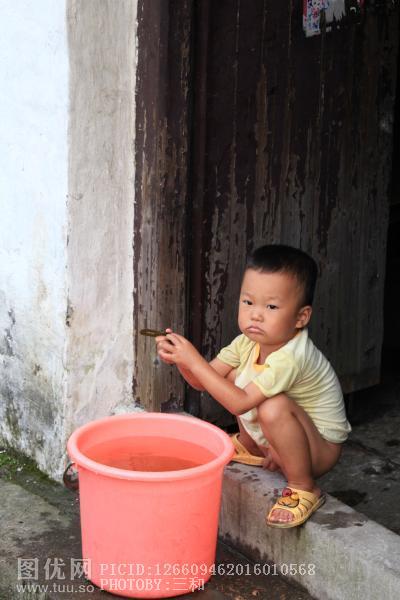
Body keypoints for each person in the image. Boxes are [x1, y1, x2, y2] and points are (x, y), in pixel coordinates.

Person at [156, 244, 351, 528]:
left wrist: (194, 360)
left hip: (318, 449)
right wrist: (182, 359)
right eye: (248, 302)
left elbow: (239, 403)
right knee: (234, 375)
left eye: (271, 307)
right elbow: (202, 381)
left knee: (272, 405)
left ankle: (303, 486)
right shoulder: (247, 342)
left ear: (301, 317)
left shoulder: (292, 356)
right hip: (285, 439)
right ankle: (253, 446)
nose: (255, 315)